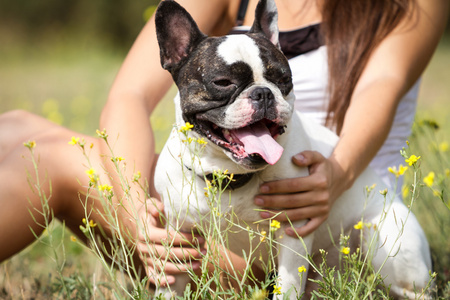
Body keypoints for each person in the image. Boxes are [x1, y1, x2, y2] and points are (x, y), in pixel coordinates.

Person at [0, 0, 448, 294]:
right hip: (202, 208)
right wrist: (136, 208)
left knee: (46, 154)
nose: (260, 96)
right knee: (15, 126)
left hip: (316, 220)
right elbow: (130, 96)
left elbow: (382, 85)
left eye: (276, 84)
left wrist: (338, 173)